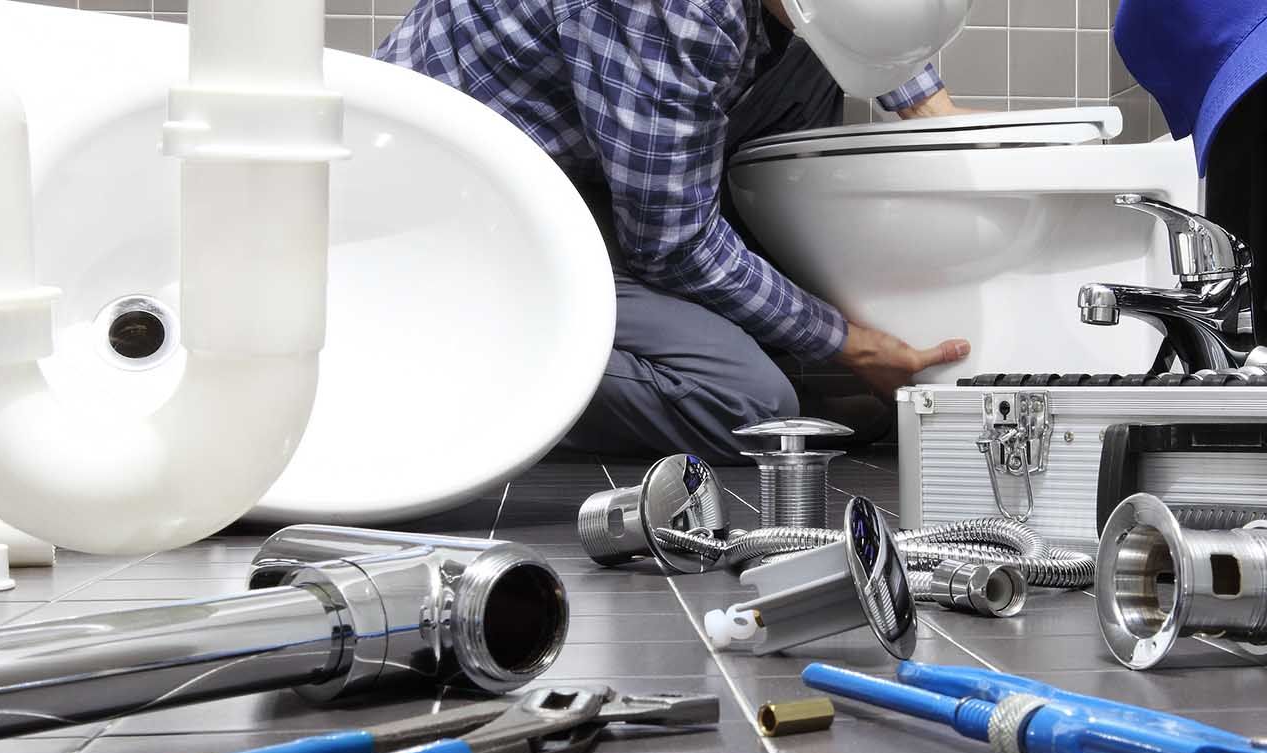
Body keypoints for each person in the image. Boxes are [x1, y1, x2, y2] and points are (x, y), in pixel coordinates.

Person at [377, 0, 972, 462]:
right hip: (459, 210)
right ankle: (420, 356)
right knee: (750, 404)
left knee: (813, 66)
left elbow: (846, 22)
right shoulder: (675, 13)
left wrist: (935, 120)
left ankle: (764, 345)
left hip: (576, 164)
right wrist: (852, 345)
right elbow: (671, 244)